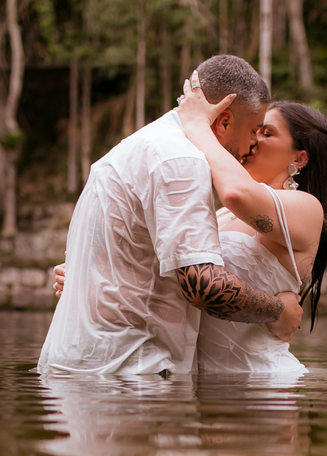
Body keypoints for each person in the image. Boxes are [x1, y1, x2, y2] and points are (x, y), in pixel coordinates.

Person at [37, 55, 303, 376]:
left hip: (77, 361)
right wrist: (278, 310)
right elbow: (204, 287)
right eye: (252, 131)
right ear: (224, 121)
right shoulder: (181, 161)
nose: (250, 146)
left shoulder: (131, 148)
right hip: (130, 369)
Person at [177, 72, 327, 373]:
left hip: (267, 388)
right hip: (202, 386)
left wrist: (197, 125)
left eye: (267, 133)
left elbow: (236, 192)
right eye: (254, 130)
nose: (252, 140)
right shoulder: (222, 214)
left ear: (300, 159)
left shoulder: (307, 208)